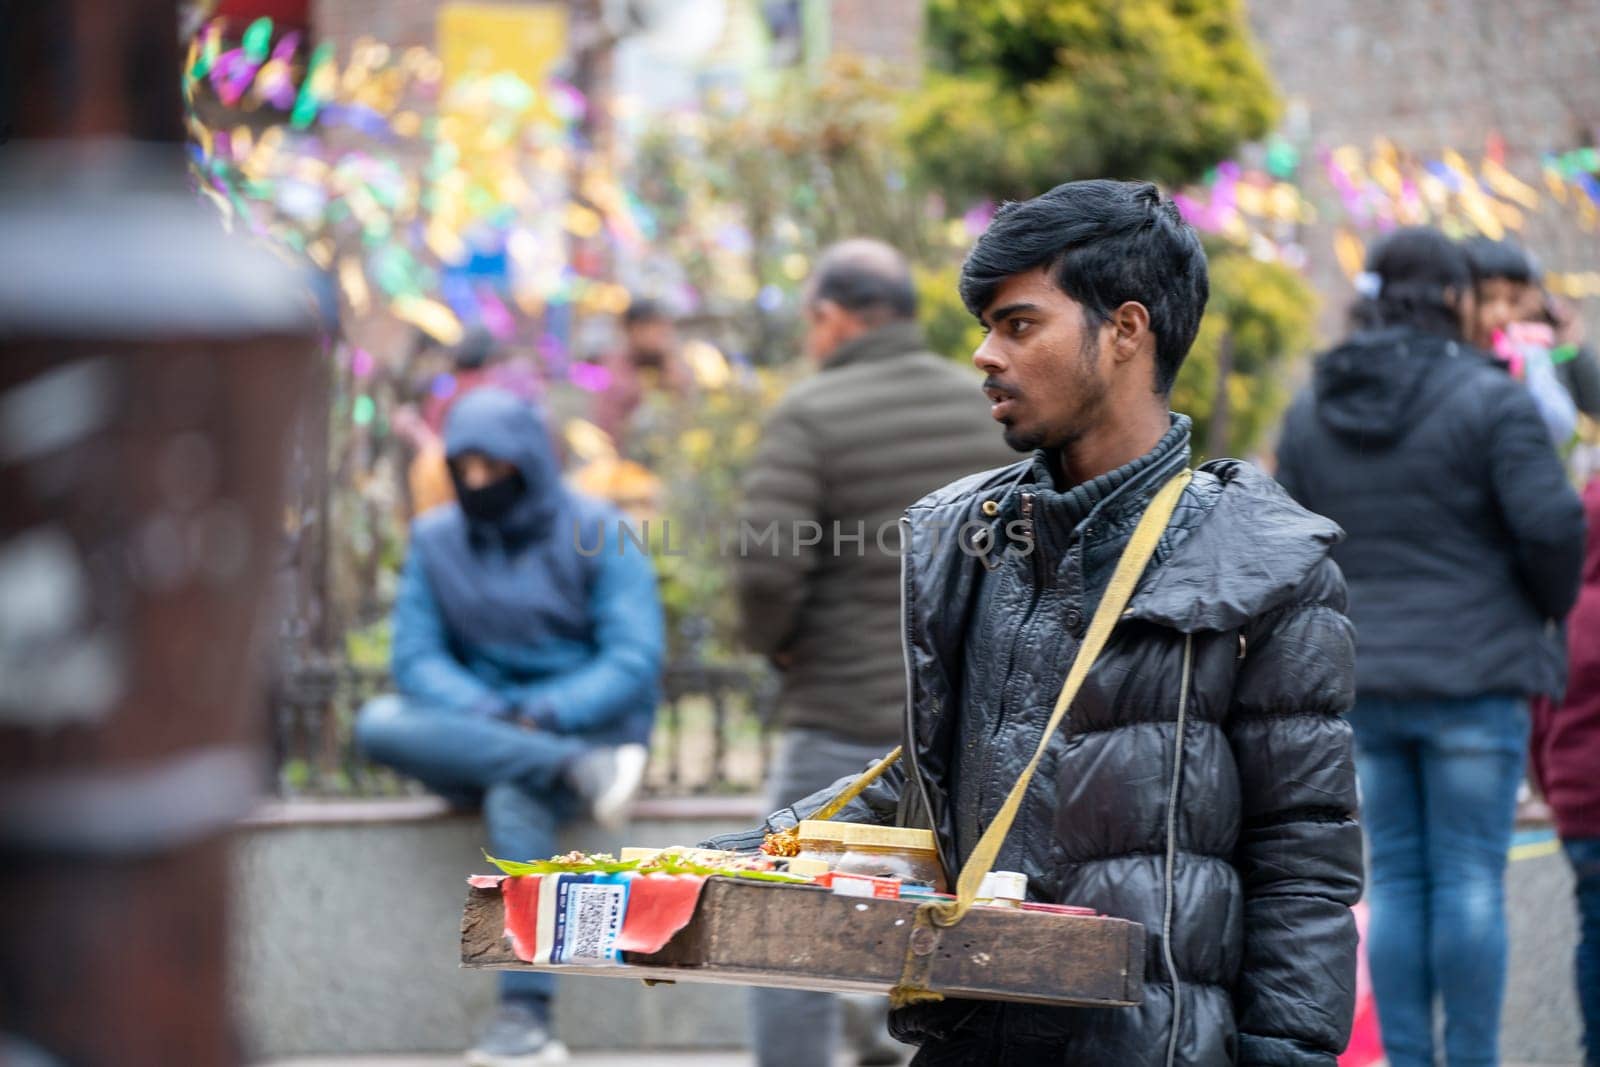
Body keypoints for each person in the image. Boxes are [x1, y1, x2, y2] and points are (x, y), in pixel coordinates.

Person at [714, 180, 1363, 1065]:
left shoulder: (1260, 562)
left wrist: (1282, 1056)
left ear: (1127, 330)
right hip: (970, 1032)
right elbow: (930, 784)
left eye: (1018, 324)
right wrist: (717, 866)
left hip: (1150, 1043)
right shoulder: (969, 538)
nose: (984, 354)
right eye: (986, 326)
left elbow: (1303, 863)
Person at [1276, 227, 1586, 1067]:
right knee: (1472, 879)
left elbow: (1292, 541)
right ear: (1451, 298)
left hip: (1365, 677)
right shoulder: (1490, 398)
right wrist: (1541, 609)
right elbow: (1555, 525)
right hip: (1477, 674)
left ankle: (1409, 1059)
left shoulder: (1311, 407)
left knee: (1402, 881)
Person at [736, 238, 1013, 1067]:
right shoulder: (985, 403)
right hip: (969, 733)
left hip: (842, 718)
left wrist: (774, 646)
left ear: (832, 318)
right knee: (956, 925)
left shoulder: (811, 412)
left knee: (781, 928)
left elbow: (764, 567)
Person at [354, 387, 664, 1066]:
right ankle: (560, 768)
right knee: (378, 720)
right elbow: (416, 659)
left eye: (493, 468)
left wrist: (546, 712)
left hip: (582, 728)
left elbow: (632, 657)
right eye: (465, 468)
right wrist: (500, 718)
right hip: (500, 732)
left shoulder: (597, 527)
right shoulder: (436, 541)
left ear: (528, 462)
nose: (477, 483)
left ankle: (525, 1014)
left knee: (512, 793)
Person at [1531, 475, 1600, 1067]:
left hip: (1583, 809)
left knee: (1594, 936)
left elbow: (1539, 708)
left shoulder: (1569, 612)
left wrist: (1549, 788)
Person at [1463, 236, 1579, 444]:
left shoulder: (1524, 352)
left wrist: (1524, 386)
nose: (1502, 313)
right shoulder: (1445, 352)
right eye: (1488, 298)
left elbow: (1561, 424)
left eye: (1513, 301)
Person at [590, 297, 693, 450]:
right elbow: (610, 426)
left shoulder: (666, 362)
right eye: (655, 328)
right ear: (633, 330)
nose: (662, 335)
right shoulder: (616, 369)